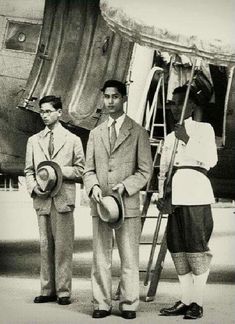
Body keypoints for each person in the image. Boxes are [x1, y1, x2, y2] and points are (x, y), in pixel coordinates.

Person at [83, 80, 152, 319]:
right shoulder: (95, 134)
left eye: (115, 97)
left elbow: (145, 171)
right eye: (107, 97)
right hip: (102, 206)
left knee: (129, 257)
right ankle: (101, 304)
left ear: (123, 99)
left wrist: (126, 186)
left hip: (128, 205)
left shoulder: (138, 132)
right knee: (100, 256)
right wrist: (92, 187)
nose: (110, 101)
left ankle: (129, 303)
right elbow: (88, 169)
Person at [157, 84, 218, 319]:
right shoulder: (170, 137)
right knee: (177, 247)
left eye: (180, 102)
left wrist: (188, 139)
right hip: (175, 196)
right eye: (172, 103)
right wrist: (163, 196)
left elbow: (210, 160)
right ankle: (185, 299)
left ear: (192, 106)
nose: (175, 107)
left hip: (196, 193)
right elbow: (164, 170)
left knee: (196, 248)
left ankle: (198, 303)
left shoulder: (204, 129)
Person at [24, 95, 85, 305]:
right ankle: (46, 289)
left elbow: (81, 170)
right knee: (44, 246)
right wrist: (34, 188)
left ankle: (63, 291)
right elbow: (29, 170)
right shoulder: (33, 140)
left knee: (63, 247)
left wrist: (58, 172)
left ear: (60, 112)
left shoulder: (73, 140)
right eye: (42, 111)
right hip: (42, 200)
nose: (45, 115)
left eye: (49, 111)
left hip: (63, 199)